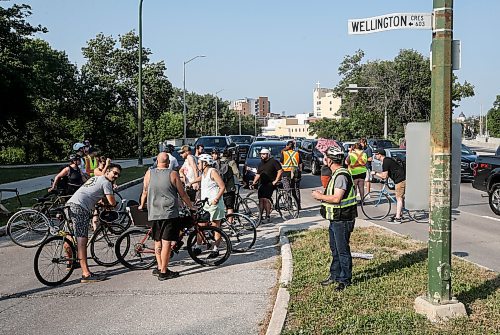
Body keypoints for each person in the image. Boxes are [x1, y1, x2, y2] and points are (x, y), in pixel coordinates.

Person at [138, 153, 194, 281]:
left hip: (154, 212)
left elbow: (145, 191)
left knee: (157, 240)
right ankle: (164, 271)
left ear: (157, 161)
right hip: (169, 212)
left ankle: (159, 267)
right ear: (168, 162)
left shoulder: (149, 173)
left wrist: (141, 205)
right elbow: (182, 193)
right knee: (167, 242)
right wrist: (191, 206)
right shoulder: (172, 174)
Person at [65, 163, 122, 282]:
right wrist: (115, 205)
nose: (116, 176)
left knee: (68, 236)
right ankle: (86, 274)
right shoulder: (106, 182)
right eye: (114, 173)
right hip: (80, 208)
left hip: (70, 205)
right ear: (107, 172)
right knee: (82, 240)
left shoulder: (96, 178)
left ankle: (70, 261)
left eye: (118, 175)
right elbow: (111, 202)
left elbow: (93, 193)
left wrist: (100, 202)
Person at [311, 143, 357, 291]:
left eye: (325, 157)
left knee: (342, 250)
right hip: (336, 218)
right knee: (335, 249)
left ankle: (345, 280)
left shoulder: (341, 176)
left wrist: (320, 197)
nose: (324, 159)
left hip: (342, 219)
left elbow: (337, 198)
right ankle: (335, 275)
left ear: (330, 160)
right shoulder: (337, 174)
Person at [190, 154, 226, 258]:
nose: (197, 164)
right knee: (200, 225)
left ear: (205, 163)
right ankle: (198, 246)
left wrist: (216, 199)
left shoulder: (213, 171)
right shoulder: (204, 173)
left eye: (199, 162)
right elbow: (201, 178)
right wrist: (191, 182)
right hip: (205, 203)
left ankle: (215, 249)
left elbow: (222, 186)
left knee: (215, 226)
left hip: (214, 203)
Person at [371, 148, 406, 224]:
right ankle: (400, 214)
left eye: (375, 154)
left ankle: (398, 219)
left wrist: (375, 173)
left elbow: (384, 176)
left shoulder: (385, 162)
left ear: (379, 155)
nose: (375, 156)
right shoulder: (388, 160)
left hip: (400, 180)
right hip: (400, 179)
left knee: (399, 198)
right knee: (400, 197)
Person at [251, 148, 283, 223]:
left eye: (264, 154)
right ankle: (260, 216)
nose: (262, 156)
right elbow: (258, 174)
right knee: (261, 200)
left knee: (266, 199)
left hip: (270, 183)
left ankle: (268, 216)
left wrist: (276, 180)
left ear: (268, 154)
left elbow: (280, 170)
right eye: (261, 154)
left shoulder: (274, 161)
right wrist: (254, 182)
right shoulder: (260, 163)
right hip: (262, 183)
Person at [280, 140, 302, 209]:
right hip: (295, 173)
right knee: (296, 189)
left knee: (287, 189)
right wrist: (300, 173)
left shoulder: (284, 153)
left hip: (286, 173)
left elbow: (281, 163)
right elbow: (300, 165)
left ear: (287, 146)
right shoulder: (297, 153)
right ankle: (298, 205)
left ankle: (289, 205)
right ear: (293, 147)